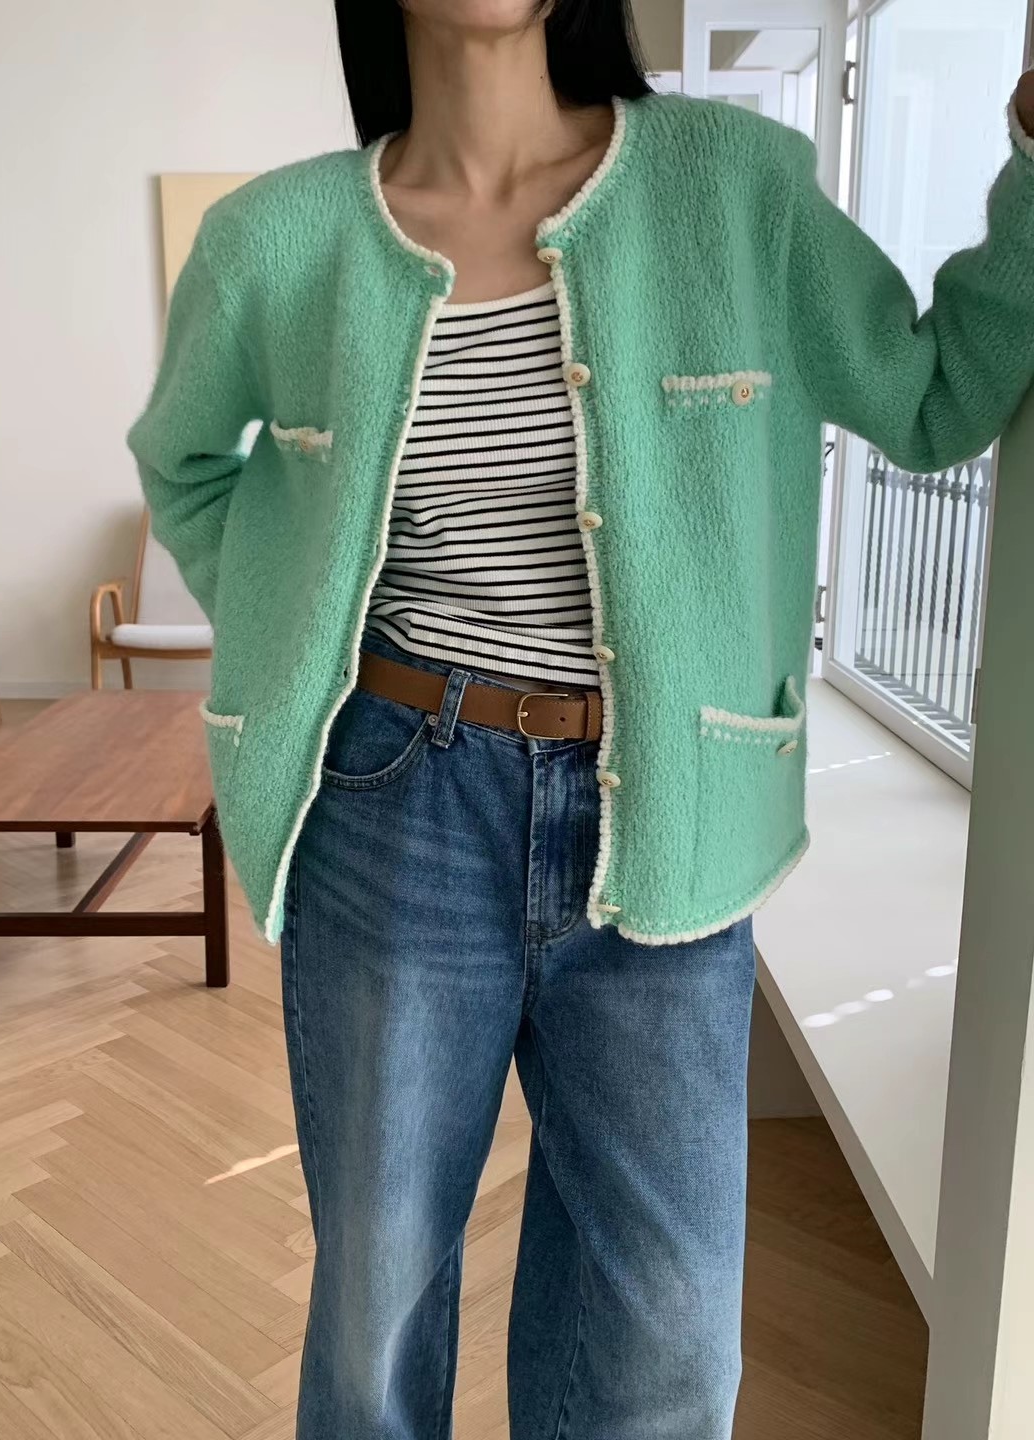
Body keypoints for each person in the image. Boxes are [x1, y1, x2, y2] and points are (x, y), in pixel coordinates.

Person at [126, 2, 1034, 1435]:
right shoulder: (274, 240)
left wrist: (1032, 162)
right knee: (377, 1312)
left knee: (670, 1345)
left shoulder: (734, 186)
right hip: (393, 802)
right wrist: (287, 617)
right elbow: (183, 464)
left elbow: (931, 404)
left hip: (669, 814)